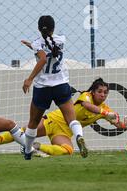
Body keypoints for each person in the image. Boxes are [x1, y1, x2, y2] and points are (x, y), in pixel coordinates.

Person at [0, 78, 127, 156]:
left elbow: (116, 123)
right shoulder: (86, 97)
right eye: (100, 91)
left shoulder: (104, 108)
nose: (103, 95)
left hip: (64, 132)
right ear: (93, 92)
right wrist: (106, 114)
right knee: (22, 131)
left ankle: (37, 147)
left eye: (106, 92)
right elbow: (87, 107)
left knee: (68, 150)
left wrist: (124, 126)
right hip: (53, 120)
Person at [21, 15, 87, 160]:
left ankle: (27, 150)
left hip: (42, 87)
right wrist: (31, 45)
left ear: (39, 28)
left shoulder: (37, 43)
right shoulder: (61, 39)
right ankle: (79, 136)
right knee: (71, 119)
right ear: (53, 27)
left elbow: (43, 58)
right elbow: (49, 48)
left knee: (33, 122)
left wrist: (29, 78)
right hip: (61, 85)